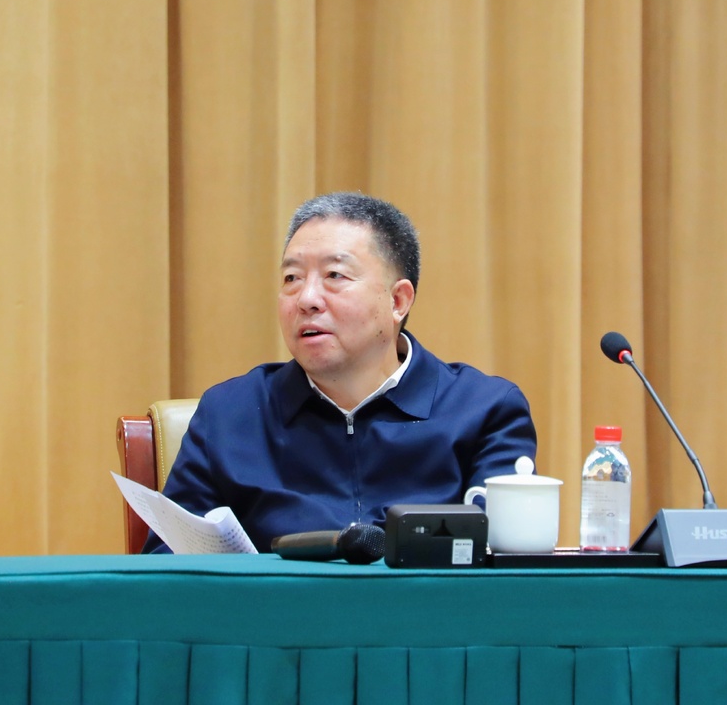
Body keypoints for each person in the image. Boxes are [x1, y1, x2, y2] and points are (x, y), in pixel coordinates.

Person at [143, 192, 537, 553]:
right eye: (292, 278)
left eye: (335, 276)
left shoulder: (485, 410)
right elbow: (166, 562)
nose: (307, 299)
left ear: (398, 301)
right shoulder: (230, 413)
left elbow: (507, 563)